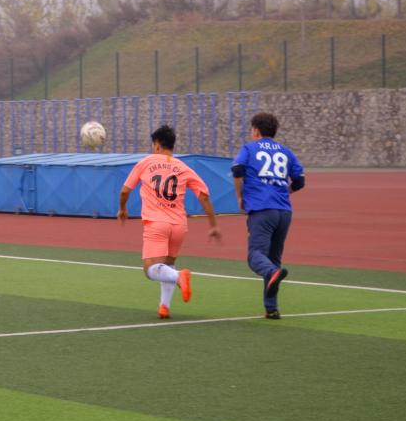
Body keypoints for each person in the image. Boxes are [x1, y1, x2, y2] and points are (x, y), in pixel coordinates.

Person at [118, 125, 220, 319]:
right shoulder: (183, 167)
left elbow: (124, 191)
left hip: (156, 223)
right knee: (168, 264)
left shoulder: (145, 163)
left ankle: (179, 276)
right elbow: (204, 195)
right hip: (179, 225)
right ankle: (164, 306)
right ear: (172, 146)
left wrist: (122, 209)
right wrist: (213, 225)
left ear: (156, 145)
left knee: (150, 269)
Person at [232, 112, 305, 320]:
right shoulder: (286, 152)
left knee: (255, 256)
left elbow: (237, 169)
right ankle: (271, 308)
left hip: (262, 209)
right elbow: (300, 181)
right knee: (273, 260)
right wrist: (284, 192)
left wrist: (240, 196)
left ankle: (273, 275)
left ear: (256, 130)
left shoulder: (249, 148)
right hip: (284, 212)